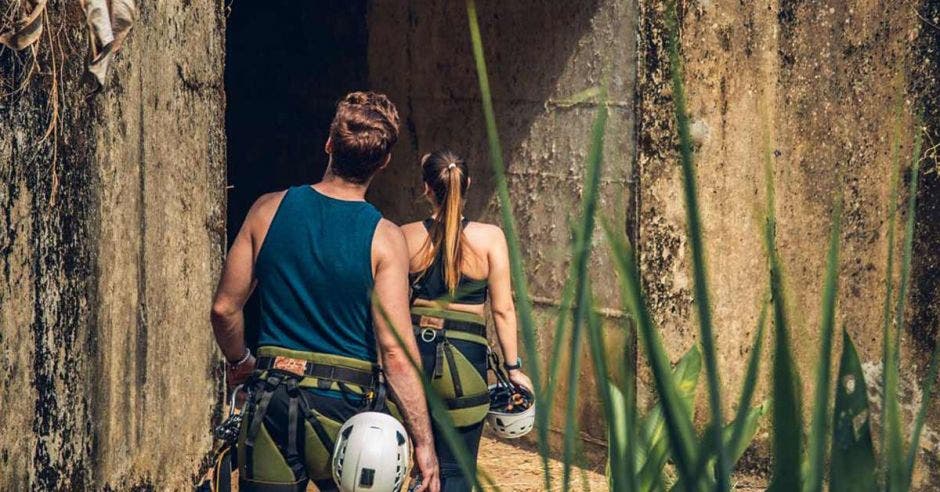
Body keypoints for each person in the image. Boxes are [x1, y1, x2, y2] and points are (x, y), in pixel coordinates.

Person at [210, 91, 440, 492]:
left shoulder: (267, 210)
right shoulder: (385, 239)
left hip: (271, 405)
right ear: (384, 162)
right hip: (347, 414)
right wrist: (423, 443)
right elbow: (396, 355)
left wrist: (241, 361)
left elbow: (224, 309)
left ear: (329, 143)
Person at [402, 150, 534, 491]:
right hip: (466, 361)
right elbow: (503, 309)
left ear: (426, 188)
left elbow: (391, 307)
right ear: (468, 185)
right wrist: (514, 368)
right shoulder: (490, 238)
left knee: (417, 464)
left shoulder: (403, 236)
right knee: (457, 470)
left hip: (415, 355)